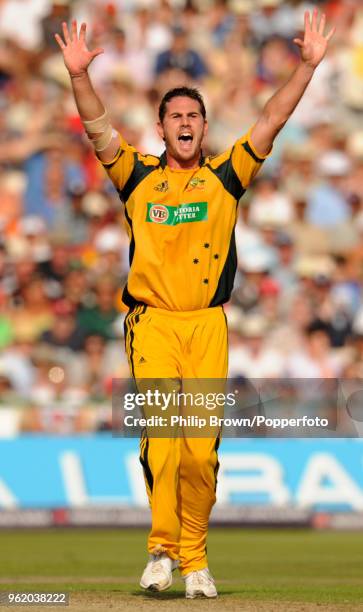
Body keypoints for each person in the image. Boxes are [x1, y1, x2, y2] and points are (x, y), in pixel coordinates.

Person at [55, 9, 335, 599]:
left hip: (207, 325)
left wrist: (308, 66)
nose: (184, 122)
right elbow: (97, 128)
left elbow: (270, 119)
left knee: (200, 454)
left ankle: (196, 559)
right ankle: (162, 553)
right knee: (162, 436)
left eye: (193, 115)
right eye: (175, 115)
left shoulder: (224, 178)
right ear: (161, 129)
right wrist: (80, 77)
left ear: (203, 128)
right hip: (152, 322)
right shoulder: (136, 178)